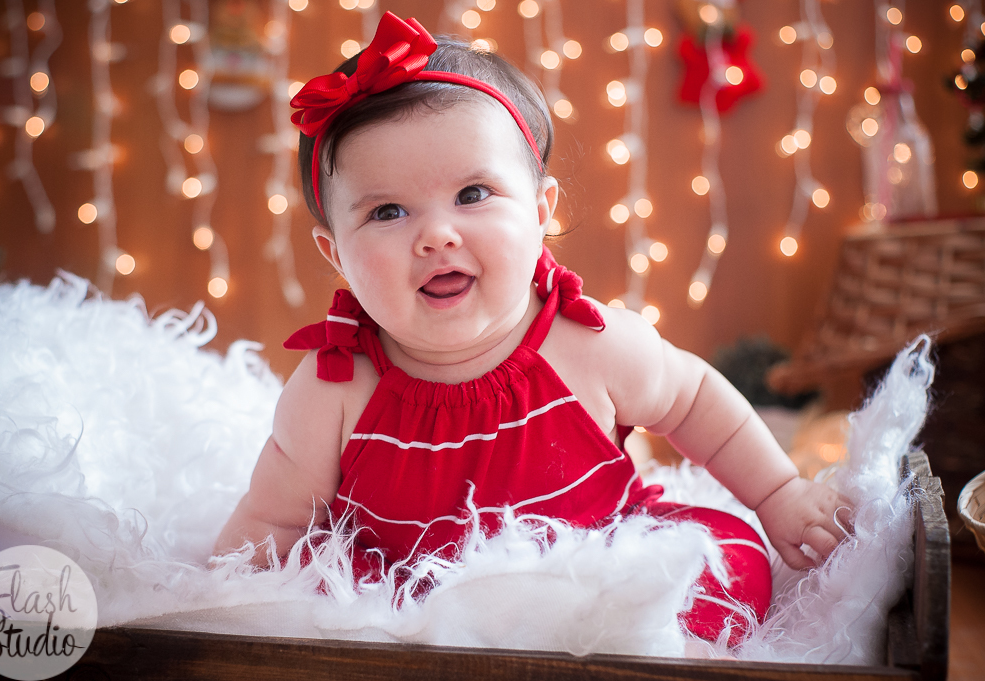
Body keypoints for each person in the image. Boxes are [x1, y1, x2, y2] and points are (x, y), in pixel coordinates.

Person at [214, 12, 850, 644]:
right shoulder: (333, 388)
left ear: (541, 211)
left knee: (726, 558)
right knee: (334, 613)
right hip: (412, 599)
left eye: (473, 194)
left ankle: (638, 648)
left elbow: (696, 401)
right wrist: (217, 608)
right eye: (387, 211)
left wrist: (779, 494)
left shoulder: (590, 343)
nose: (437, 234)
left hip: (597, 565)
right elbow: (271, 523)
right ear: (337, 255)